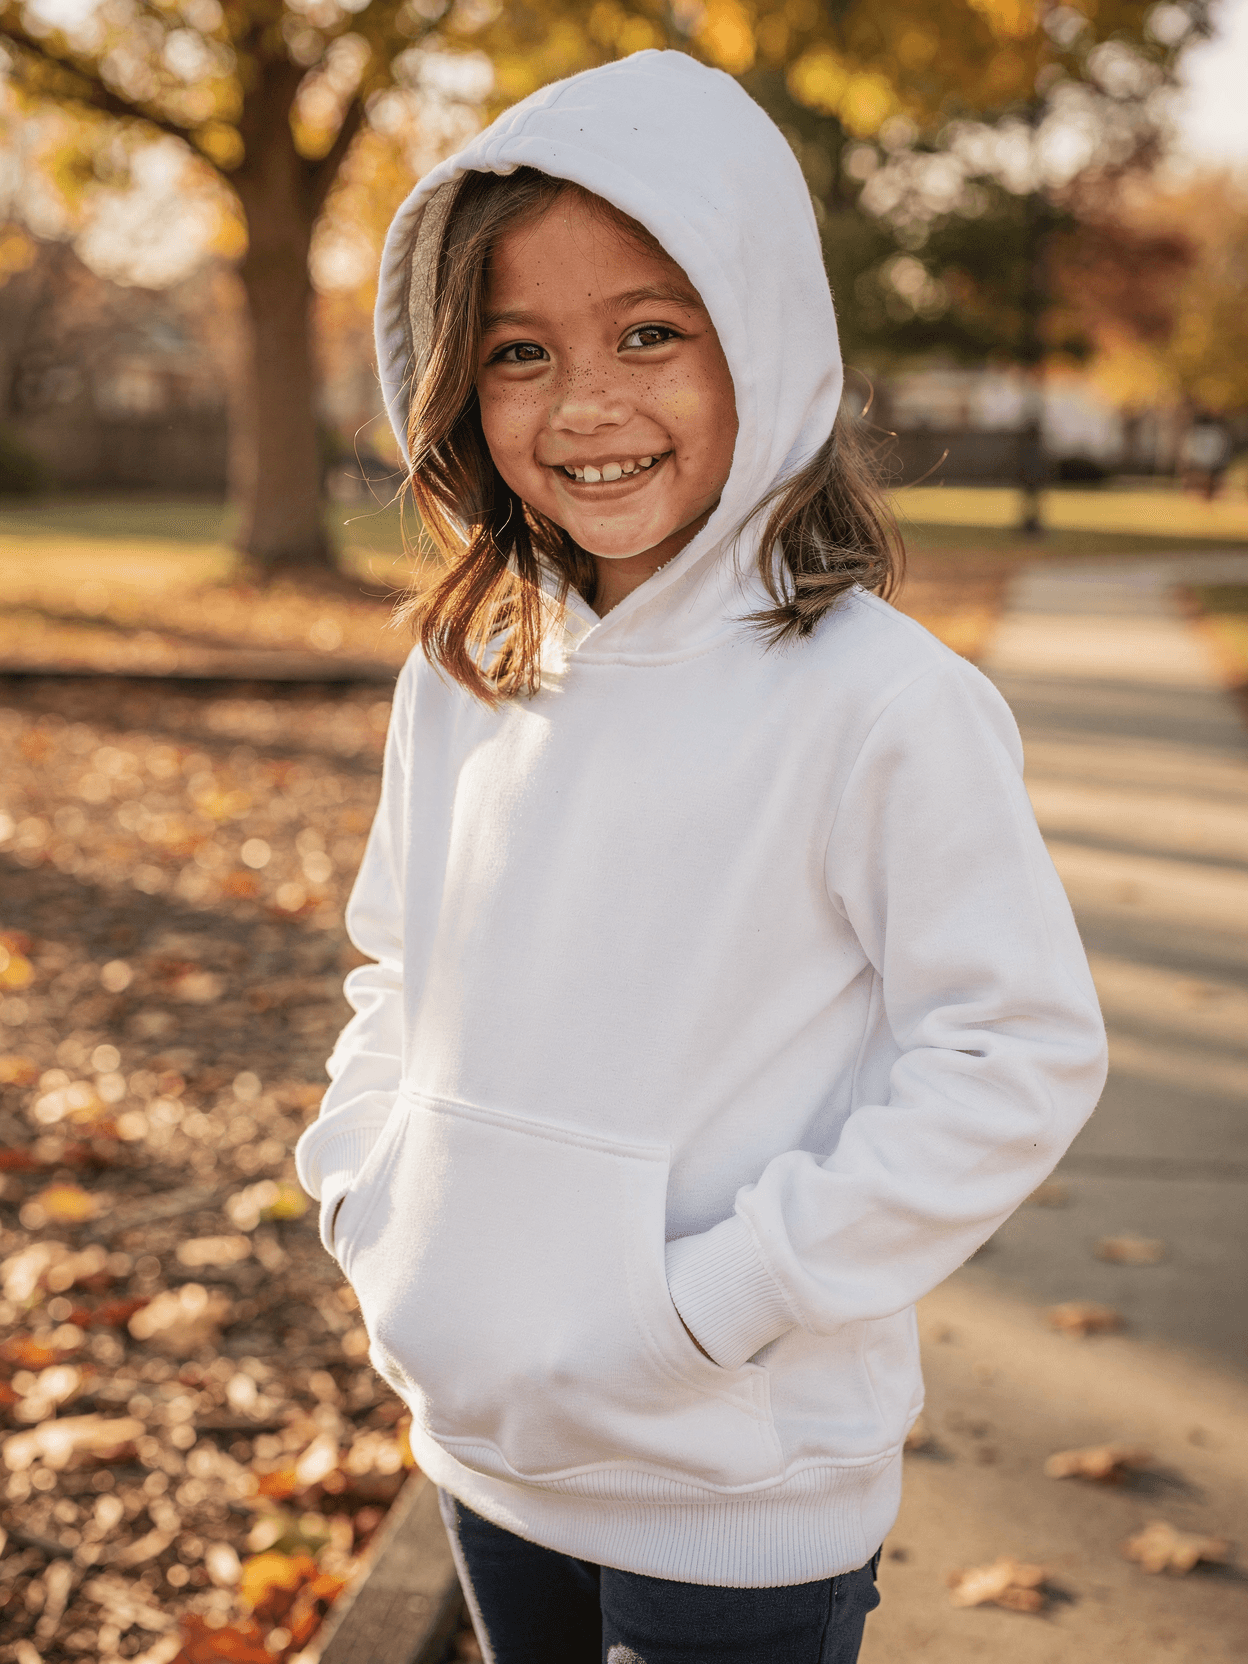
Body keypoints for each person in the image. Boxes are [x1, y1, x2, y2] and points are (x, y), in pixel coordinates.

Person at [295, 51, 1107, 1664]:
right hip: (483, 1452)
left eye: (650, 332)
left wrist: (715, 1301)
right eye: (520, 351)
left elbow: (1013, 1056)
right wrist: (368, 1197)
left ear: (766, 338)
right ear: (458, 381)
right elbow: (397, 968)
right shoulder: (465, 675)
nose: (585, 403)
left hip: (737, 1486)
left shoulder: (883, 706)